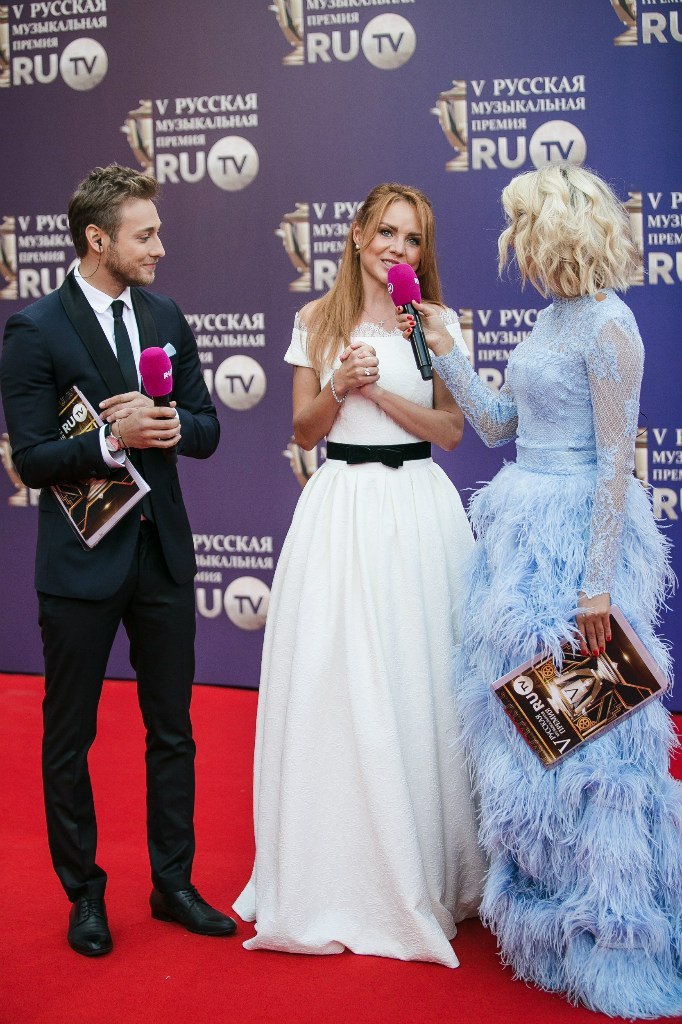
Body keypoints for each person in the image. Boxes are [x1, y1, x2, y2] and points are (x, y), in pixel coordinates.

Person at [396, 164, 682, 1016]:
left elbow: (616, 463)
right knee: (532, 731)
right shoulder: (549, 319)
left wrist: (596, 589)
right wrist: (445, 350)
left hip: (579, 552)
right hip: (519, 547)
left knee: (596, 746)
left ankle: (612, 926)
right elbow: (495, 427)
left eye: (521, 226)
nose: (511, 242)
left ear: (557, 230)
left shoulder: (612, 325)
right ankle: (552, 923)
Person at [233, 183, 485, 967]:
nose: (397, 249)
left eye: (412, 239)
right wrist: (340, 385)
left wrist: (379, 392)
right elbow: (303, 429)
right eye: (387, 233)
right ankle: (336, 867)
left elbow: (452, 430)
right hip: (339, 510)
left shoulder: (436, 324)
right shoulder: (316, 320)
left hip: (419, 512)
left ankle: (429, 864)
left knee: (421, 679)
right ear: (356, 235)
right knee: (336, 682)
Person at [0, 164, 236, 956]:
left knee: (173, 730)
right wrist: (110, 439)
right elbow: (32, 459)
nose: (161, 248)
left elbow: (206, 427)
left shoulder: (165, 314)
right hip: (80, 564)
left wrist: (171, 425)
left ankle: (173, 883)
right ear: (97, 240)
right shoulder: (36, 329)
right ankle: (85, 895)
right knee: (69, 737)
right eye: (147, 235)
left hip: (161, 556)